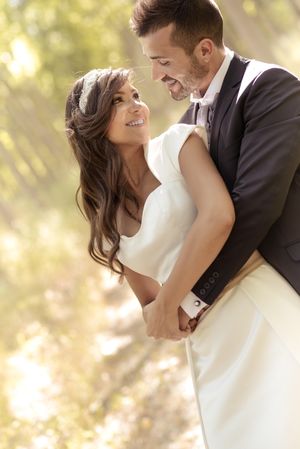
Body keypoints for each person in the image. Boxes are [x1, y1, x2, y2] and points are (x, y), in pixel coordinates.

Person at [65, 67, 300, 449]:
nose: (135, 106)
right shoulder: (105, 216)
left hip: (257, 305)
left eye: (135, 95)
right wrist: (162, 312)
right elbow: (154, 311)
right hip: (209, 344)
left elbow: (219, 217)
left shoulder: (177, 145)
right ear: (92, 126)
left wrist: (172, 300)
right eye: (117, 102)